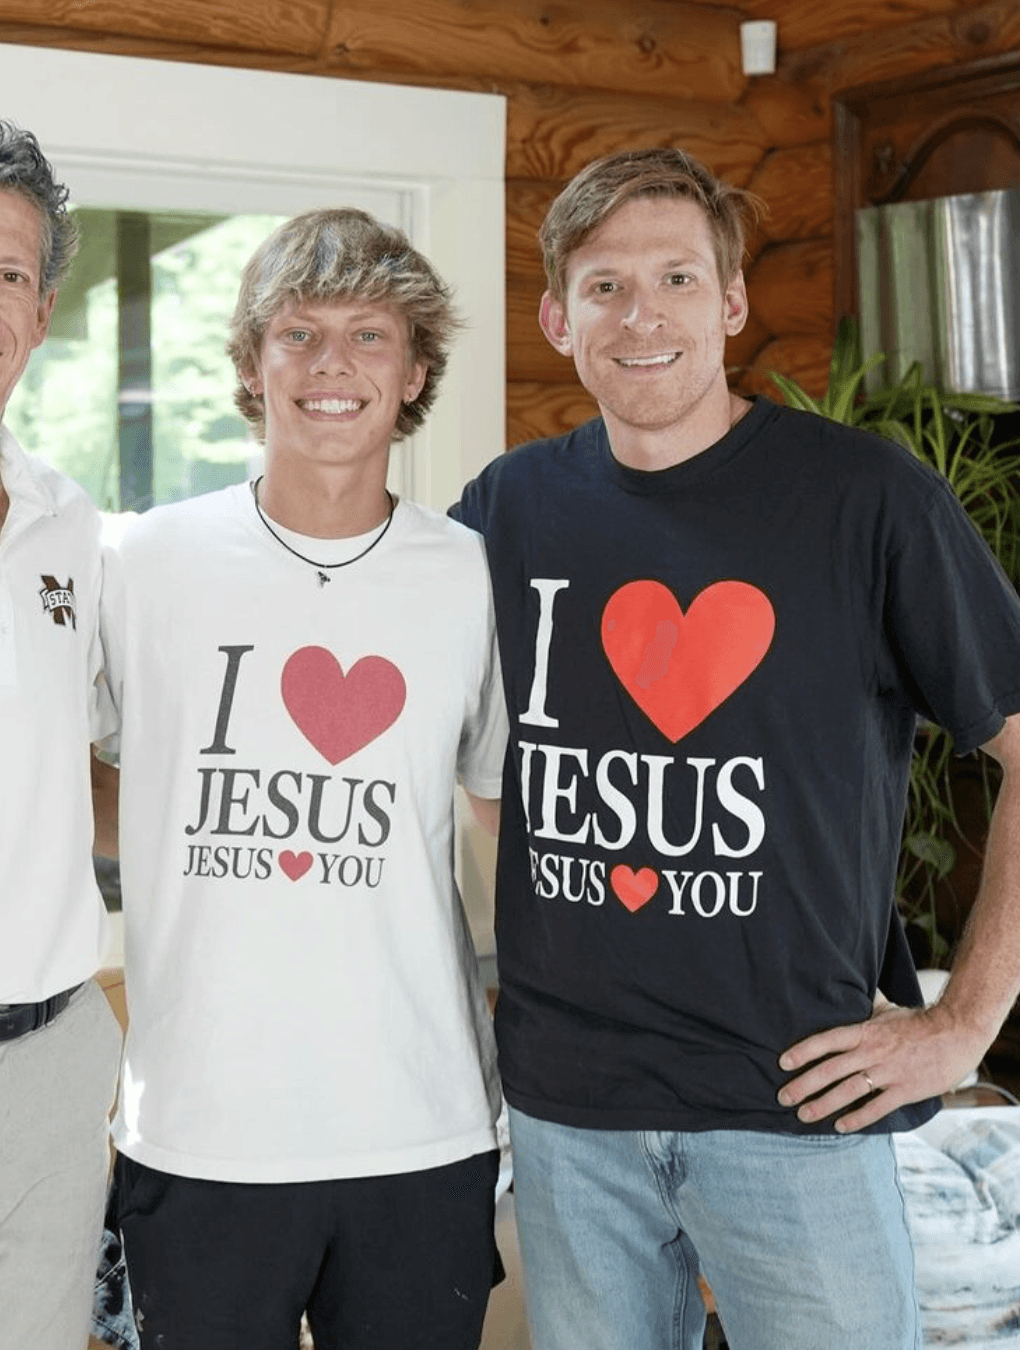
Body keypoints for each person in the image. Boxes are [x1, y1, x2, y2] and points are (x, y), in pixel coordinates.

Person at [451, 146, 1020, 1349]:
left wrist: (963, 1025)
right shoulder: (506, 508)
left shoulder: (869, 500)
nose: (639, 315)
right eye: (604, 286)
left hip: (795, 1107)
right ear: (558, 317)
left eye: (675, 278)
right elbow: (491, 765)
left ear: (733, 303)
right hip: (570, 1114)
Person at [100, 207, 507, 1349]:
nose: (333, 364)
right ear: (250, 361)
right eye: (298, 332)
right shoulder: (143, 562)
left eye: (370, 335)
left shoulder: (471, 577)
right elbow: (48, 759)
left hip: (419, 1128)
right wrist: (157, 819)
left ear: (416, 367)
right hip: (199, 1130)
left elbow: (498, 809)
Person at [0, 121, 123, 1347]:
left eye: (9, 273)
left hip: (51, 1053)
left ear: (40, 312)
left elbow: (75, 767)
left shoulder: (67, 524)